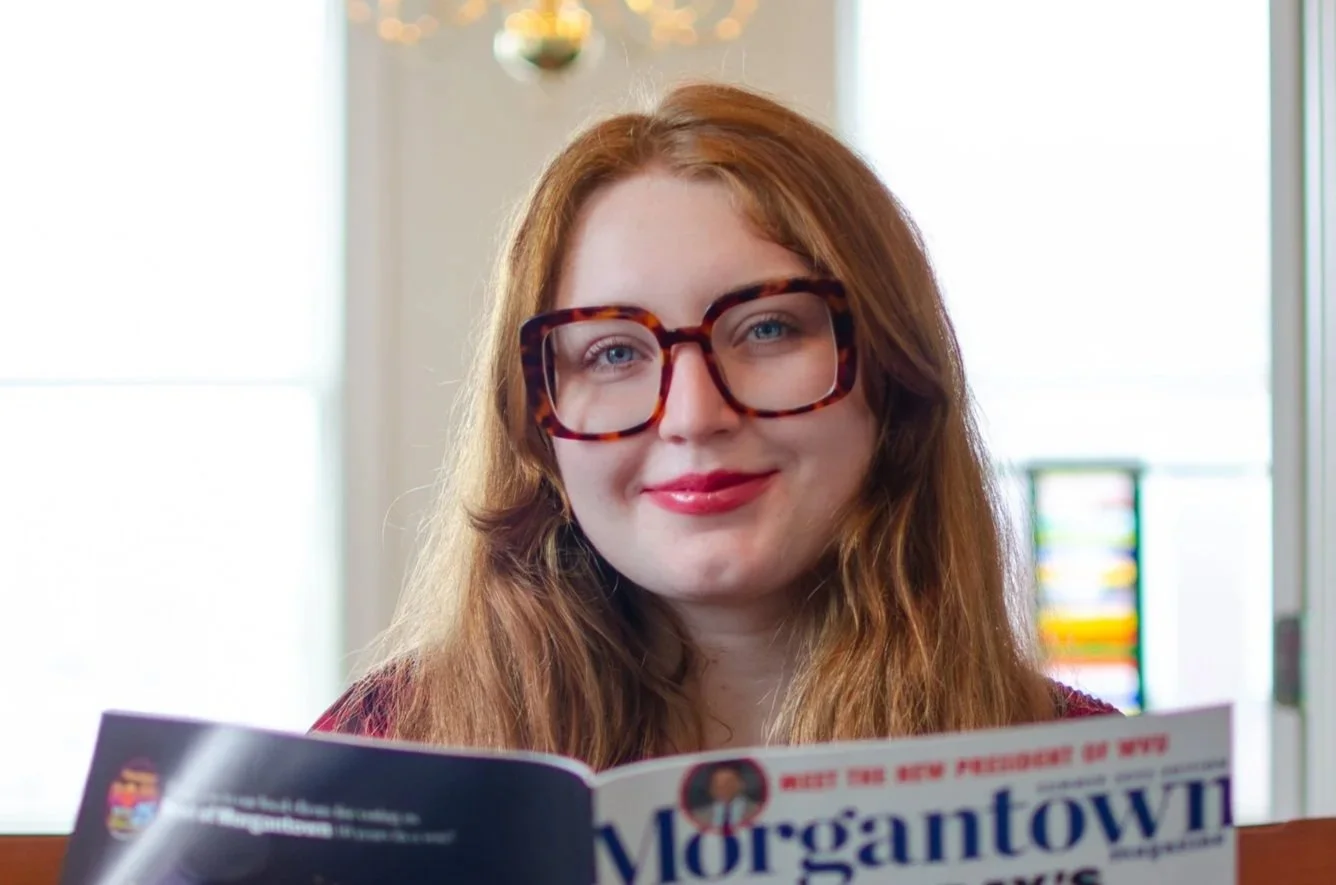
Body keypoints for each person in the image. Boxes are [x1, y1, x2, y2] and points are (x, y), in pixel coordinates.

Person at [312, 81, 1118, 767]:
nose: (695, 416)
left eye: (768, 329)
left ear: (895, 373)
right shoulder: (384, 752)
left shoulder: (1082, 773)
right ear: (535, 429)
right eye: (614, 353)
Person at [687, 763, 763, 832]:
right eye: (717, 785)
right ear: (711, 789)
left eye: (728, 783)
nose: (723, 789)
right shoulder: (700, 816)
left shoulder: (757, 810)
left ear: (741, 784)